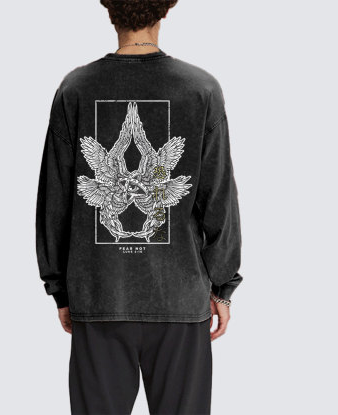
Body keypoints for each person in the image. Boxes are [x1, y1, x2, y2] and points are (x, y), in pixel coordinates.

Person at [36, 1, 243, 413]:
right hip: (179, 301)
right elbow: (218, 198)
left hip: (99, 296)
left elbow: (54, 200)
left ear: (108, 8)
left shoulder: (76, 89)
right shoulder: (200, 89)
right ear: (166, 8)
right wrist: (223, 287)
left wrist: (60, 289)